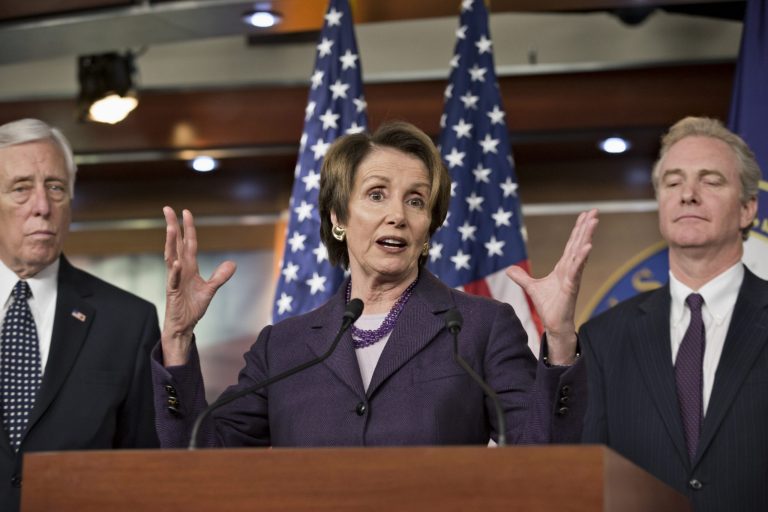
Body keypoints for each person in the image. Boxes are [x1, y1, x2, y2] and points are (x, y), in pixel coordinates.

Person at [153, 121, 597, 448]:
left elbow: (541, 454)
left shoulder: (481, 326)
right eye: (377, 194)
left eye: (416, 200)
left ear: (428, 228)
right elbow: (201, 454)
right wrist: (177, 338)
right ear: (338, 218)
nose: (398, 215)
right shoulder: (282, 348)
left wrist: (559, 338)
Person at [580, 116, 766, 511]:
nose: (688, 194)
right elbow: (586, 474)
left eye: (711, 180)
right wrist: (560, 334)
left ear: (748, 208)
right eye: (673, 182)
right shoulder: (604, 337)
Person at [0, 118, 160, 512]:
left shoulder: (128, 321)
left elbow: (145, 470)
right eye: (21, 189)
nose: (42, 207)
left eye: (55, 188)